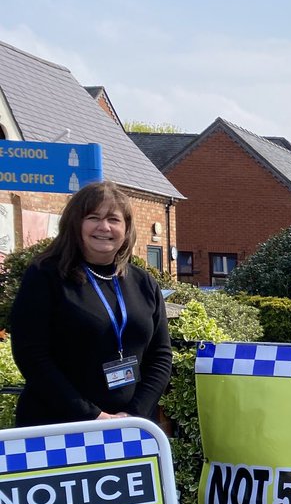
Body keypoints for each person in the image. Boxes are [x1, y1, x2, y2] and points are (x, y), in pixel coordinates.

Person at [10, 180, 172, 427]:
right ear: (75, 224)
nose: (104, 227)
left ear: (126, 228)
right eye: (93, 217)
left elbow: (160, 356)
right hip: (59, 425)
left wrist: (133, 415)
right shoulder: (45, 275)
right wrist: (91, 416)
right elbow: (31, 355)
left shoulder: (144, 282)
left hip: (129, 428)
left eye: (114, 219)